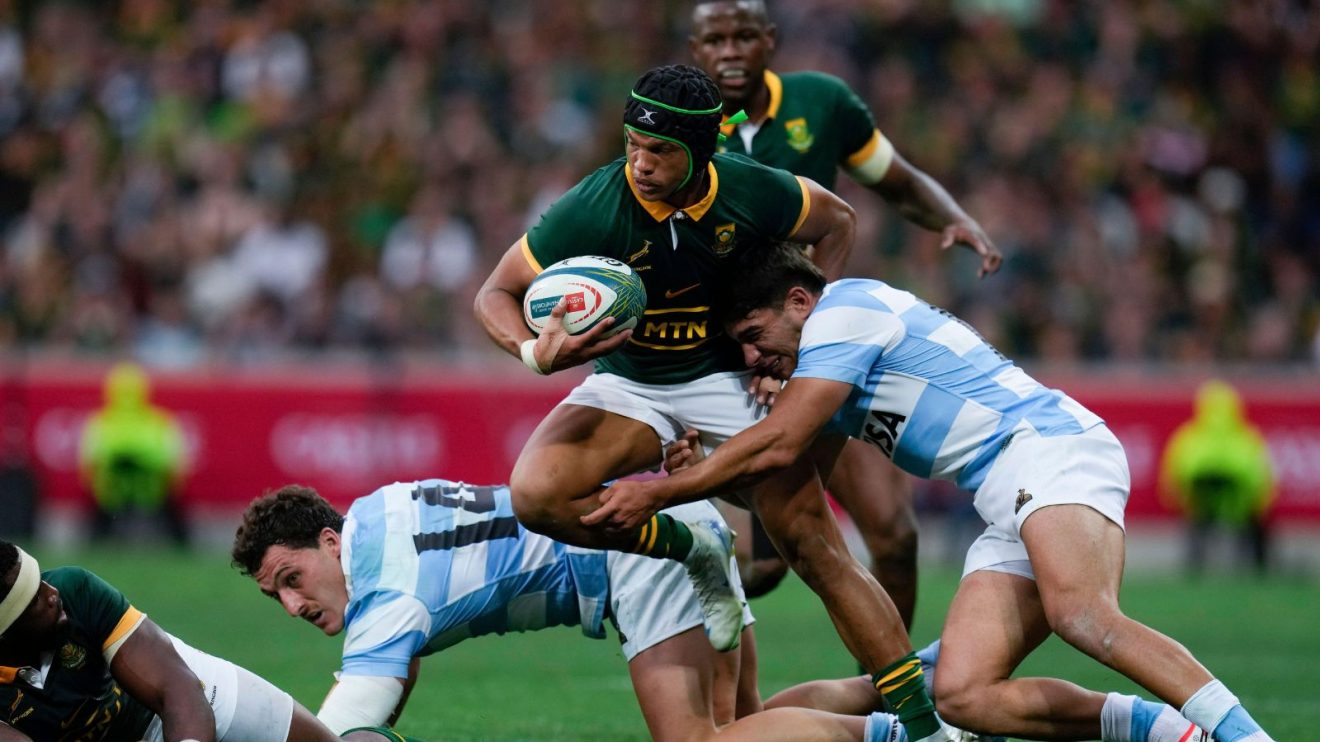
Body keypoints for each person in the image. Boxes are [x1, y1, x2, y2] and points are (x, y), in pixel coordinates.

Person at [585, 243, 1274, 742]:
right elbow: (789, 483)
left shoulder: (846, 313)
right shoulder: (827, 369)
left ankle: (1244, 737)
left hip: (1050, 449)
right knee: (962, 695)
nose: (751, 359)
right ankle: (1154, 728)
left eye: (755, 337)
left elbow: (783, 442)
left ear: (799, 301)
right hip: (1009, 495)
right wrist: (700, 460)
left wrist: (662, 491)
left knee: (1082, 615)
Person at [474, 63, 949, 741]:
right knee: (537, 495)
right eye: (633, 145)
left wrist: (808, 347)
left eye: (660, 150)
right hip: (629, 383)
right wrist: (531, 351)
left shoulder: (751, 189)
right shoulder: (596, 204)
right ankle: (694, 548)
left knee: (816, 550)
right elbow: (493, 292)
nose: (640, 163)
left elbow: (837, 220)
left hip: (728, 382)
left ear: (703, 151)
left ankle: (926, 729)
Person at [688, 0, 1002, 622]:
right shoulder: (683, 126)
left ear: (769, 41)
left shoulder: (822, 105)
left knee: (894, 534)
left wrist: (954, 218)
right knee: (770, 558)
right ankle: (667, 629)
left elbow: (897, 179)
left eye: (744, 36)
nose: (730, 51)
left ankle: (893, 699)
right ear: (696, 49)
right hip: (733, 358)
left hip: (819, 353)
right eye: (715, 39)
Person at [229, 482, 913, 742]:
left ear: (327, 541)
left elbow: (335, 731)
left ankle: (901, 738)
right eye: (274, 595)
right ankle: (930, 685)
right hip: (663, 519)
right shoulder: (379, 507)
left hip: (635, 554)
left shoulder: (386, 599)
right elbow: (389, 675)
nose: (292, 604)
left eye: (291, 578)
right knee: (749, 725)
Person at [0, 539, 410, 742]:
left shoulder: (74, 589)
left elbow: (178, 687)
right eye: (35, 599)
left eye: (42, 582)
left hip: (167, 705)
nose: (51, 593)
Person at [1159, 380, 1276, 575]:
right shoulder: (1248, 439)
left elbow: (1173, 477)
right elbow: (1264, 480)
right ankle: (1258, 568)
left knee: (1197, 526)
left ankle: (1195, 566)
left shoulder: (1188, 438)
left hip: (1202, 510)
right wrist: (1257, 504)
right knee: (1256, 527)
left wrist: (1181, 501)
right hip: (1240, 510)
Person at [78, 362, 190, 546]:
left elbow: (89, 462)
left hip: (124, 494)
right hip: (141, 494)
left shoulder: (100, 422)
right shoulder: (159, 422)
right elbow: (173, 462)